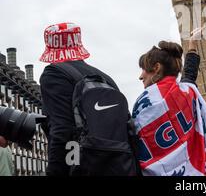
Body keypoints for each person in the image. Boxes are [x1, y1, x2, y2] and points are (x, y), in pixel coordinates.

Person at [39, 22, 136, 176]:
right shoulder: (106, 79)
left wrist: (56, 172)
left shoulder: (54, 74)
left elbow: (63, 130)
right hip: (120, 166)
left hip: (82, 166)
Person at [132, 30, 206, 176]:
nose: (140, 76)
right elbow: (189, 73)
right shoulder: (187, 92)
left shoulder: (143, 103)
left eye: (144, 69)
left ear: (156, 68)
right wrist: (192, 45)